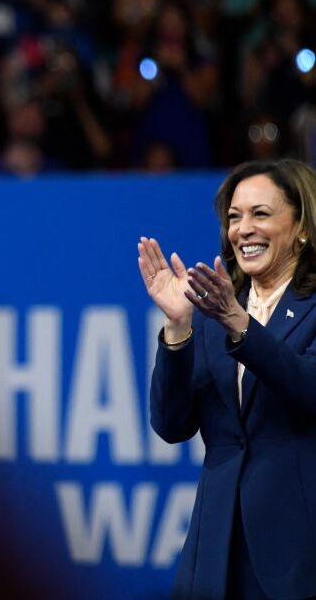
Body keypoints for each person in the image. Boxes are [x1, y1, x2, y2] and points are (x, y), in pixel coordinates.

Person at [139, 158, 316, 599]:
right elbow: (171, 424)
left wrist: (241, 325)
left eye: (261, 214)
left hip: (298, 554)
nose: (243, 229)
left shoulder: (245, 313)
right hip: (215, 551)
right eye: (235, 217)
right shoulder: (216, 311)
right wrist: (179, 328)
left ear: (302, 227)